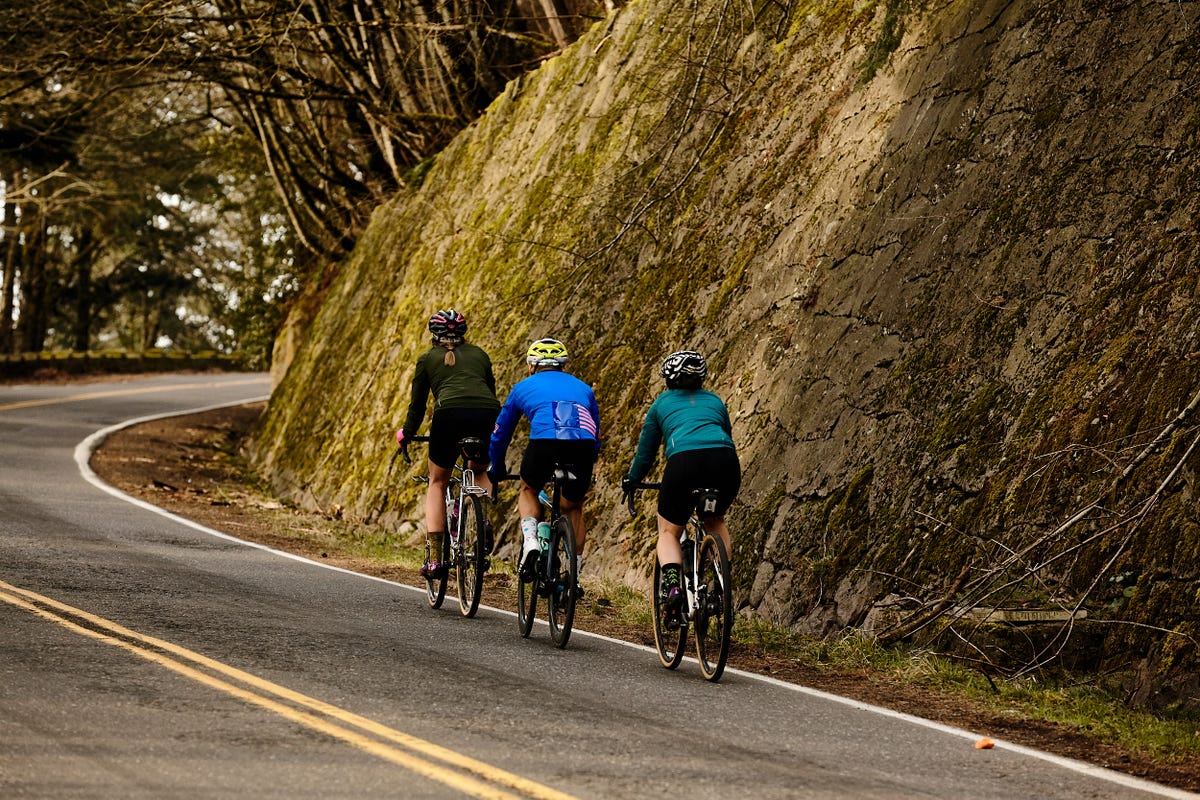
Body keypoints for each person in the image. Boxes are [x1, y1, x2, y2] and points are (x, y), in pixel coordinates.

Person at [622, 350, 740, 628]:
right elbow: (726, 435)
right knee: (714, 519)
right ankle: (723, 586)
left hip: (684, 462)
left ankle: (674, 588)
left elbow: (646, 453)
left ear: (668, 379)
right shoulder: (715, 400)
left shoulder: (660, 404)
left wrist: (633, 479)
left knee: (668, 530)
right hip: (725, 461)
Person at [396, 309, 501, 579]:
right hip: (487, 412)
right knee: (480, 469)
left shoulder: (428, 359)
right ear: (463, 332)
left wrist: (407, 433)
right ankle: (483, 520)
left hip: (449, 415)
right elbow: (490, 390)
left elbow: (417, 406)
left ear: (433, 333)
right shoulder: (479, 355)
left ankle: (435, 559)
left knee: (438, 481)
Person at [488, 338, 600, 589]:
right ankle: (575, 574)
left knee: (528, 488)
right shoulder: (583, 388)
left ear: (531, 366)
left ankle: (531, 541)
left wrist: (496, 467)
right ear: (564, 367)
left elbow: (500, 433)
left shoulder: (522, 387)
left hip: (544, 443)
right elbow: (596, 430)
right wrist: (589, 459)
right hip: (580, 444)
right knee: (573, 507)